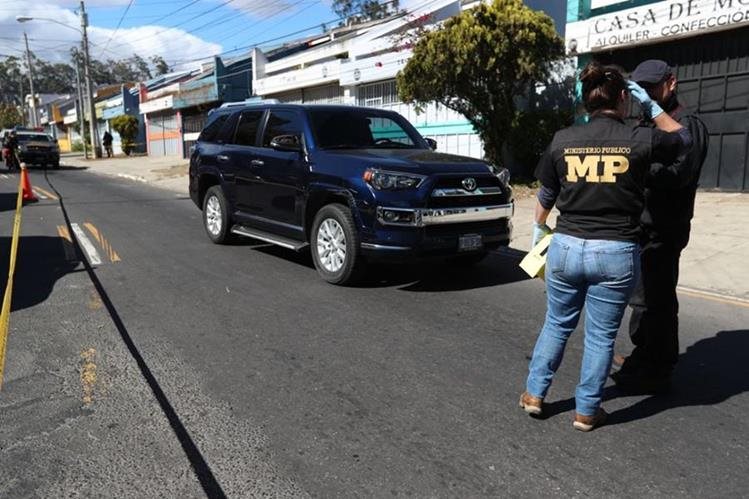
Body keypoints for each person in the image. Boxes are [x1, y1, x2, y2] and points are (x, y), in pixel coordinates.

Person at [519, 62, 693, 432]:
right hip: (614, 251)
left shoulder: (562, 139)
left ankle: (534, 394)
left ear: (587, 101)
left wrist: (538, 228)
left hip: (565, 246)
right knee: (600, 336)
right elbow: (683, 140)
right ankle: (586, 410)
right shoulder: (640, 137)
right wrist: (653, 108)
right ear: (625, 99)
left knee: (556, 323)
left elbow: (547, 192)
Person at [611, 60, 709, 394]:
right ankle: (645, 353)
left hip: (665, 227)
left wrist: (637, 170)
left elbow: (681, 174)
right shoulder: (645, 121)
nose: (646, 93)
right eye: (641, 88)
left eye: (651, 87)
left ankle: (657, 368)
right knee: (642, 298)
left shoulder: (686, 124)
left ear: (671, 83)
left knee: (657, 300)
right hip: (641, 224)